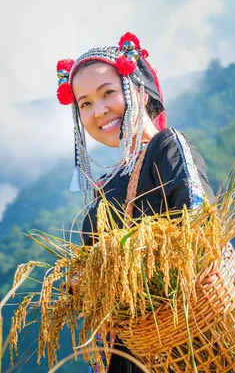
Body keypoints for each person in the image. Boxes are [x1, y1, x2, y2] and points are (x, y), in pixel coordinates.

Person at [55, 32, 214, 372]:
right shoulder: (102, 196)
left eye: (108, 93)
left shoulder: (167, 148)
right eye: (84, 104)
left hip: (186, 349)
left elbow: (201, 229)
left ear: (138, 91)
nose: (99, 111)